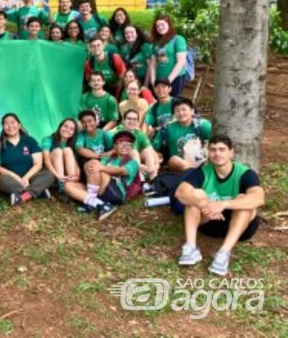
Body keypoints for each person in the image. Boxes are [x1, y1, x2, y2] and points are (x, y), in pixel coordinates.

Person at [175, 135, 264, 276]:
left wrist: (224, 204)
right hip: (209, 222)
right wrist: (204, 203)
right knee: (195, 195)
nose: (217, 154)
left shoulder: (245, 173)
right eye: (213, 150)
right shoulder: (203, 171)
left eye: (222, 149)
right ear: (208, 153)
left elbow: (259, 198)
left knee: (244, 200)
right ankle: (190, 247)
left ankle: (223, 253)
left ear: (231, 152)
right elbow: (180, 193)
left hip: (240, 227)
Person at [65, 131, 140, 220]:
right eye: (121, 142)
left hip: (116, 192)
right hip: (99, 189)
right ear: (115, 146)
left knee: (96, 164)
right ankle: (100, 204)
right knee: (68, 185)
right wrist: (87, 166)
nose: (125, 146)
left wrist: (101, 168)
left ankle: (89, 203)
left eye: (128, 144)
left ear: (131, 147)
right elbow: (94, 170)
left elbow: (121, 171)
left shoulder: (133, 162)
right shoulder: (108, 158)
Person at [0, 113, 55, 205]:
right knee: (0, 180)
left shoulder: (30, 141)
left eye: (13, 122)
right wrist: (17, 177)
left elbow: (38, 164)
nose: (10, 126)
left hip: (30, 178)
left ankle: (21, 196)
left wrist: (26, 178)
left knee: (49, 175)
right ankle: (37, 191)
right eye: (6, 123)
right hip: (10, 179)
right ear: (3, 127)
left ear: (19, 125)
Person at [152, 98, 213, 172]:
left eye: (184, 109)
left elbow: (219, 140)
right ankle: (196, 174)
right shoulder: (166, 128)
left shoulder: (202, 125)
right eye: (177, 110)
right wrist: (158, 157)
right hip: (180, 165)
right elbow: (154, 148)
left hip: (201, 160)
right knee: (173, 160)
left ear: (192, 111)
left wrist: (206, 149)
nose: (181, 113)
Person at [110, 109, 160, 187]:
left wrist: (156, 165)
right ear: (123, 121)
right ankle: (141, 183)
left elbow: (151, 151)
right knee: (134, 151)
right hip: (120, 161)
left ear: (137, 122)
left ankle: (154, 183)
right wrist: (139, 166)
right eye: (129, 119)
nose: (132, 121)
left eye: (134, 119)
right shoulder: (116, 132)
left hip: (138, 162)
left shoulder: (139, 133)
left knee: (147, 151)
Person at [149, 15, 189, 96]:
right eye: (158, 26)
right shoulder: (156, 42)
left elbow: (181, 62)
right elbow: (153, 63)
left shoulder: (178, 39)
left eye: (162, 25)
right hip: (159, 79)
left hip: (175, 78)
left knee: (173, 103)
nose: (160, 28)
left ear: (169, 25)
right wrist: (153, 80)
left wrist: (168, 80)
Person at [41, 118, 80, 198]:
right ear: (60, 127)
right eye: (65, 126)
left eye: (71, 129)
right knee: (58, 151)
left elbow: (75, 164)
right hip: (49, 173)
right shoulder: (48, 140)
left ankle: (70, 185)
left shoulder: (70, 145)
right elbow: (46, 160)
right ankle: (61, 188)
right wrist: (57, 175)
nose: (67, 130)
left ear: (73, 133)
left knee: (68, 150)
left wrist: (77, 176)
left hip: (64, 177)